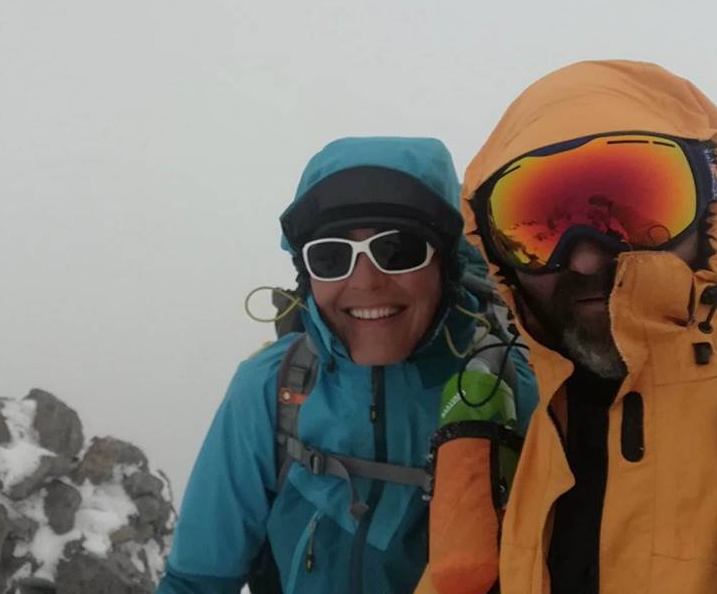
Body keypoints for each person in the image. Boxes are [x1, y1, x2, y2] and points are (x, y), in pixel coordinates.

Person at [157, 136, 537, 593]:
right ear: (306, 274)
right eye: (332, 257)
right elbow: (196, 582)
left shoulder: (515, 385)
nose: (366, 281)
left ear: (447, 262)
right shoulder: (272, 389)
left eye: (397, 250)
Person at [460, 60, 717, 593]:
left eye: (636, 213)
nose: (588, 260)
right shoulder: (542, 406)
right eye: (539, 229)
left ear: (711, 208)